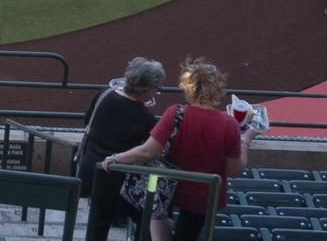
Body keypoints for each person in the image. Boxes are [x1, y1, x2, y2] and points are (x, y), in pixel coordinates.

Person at [101, 60, 250, 241]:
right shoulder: (230, 124)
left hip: (169, 190)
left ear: (189, 87)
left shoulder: (175, 113)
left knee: (157, 218)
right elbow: (234, 171)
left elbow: (147, 152)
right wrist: (245, 139)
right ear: (218, 89)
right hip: (204, 197)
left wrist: (115, 158)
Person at [76, 58, 163, 241]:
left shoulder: (104, 95)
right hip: (120, 179)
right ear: (146, 88)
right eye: (157, 88)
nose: (156, 92)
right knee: (146, 217)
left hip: (92, 170)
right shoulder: (145, 118)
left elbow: (87, 121)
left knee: (98, 223)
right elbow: (146, 152)